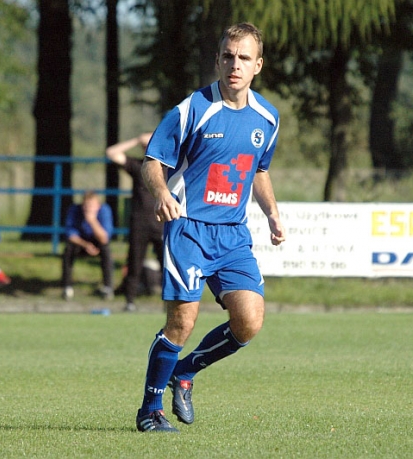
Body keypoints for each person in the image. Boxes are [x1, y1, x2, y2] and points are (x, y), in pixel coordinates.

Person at [134, 22, 286, 433]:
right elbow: (152, 161)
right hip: (188, 228)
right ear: (219, 60)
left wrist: (271, 212)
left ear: (258, 65)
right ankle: (150, 409)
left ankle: (184, 372)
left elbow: (260, 170)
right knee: (182, 321)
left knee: (249, 321)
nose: (234, 65)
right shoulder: (192, 110)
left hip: (233, 233)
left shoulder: (267, 118)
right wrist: (162, 193)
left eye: (243, 58)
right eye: (227, 56)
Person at [106, 133, 164, 312]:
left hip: (162, 222)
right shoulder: (138, 165)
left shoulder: (168, 165)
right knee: (134, 262)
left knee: (168, 264)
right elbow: (111, 152)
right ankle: (130, 301)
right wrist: (137, 139)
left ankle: (170, 302)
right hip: (139, 223)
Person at [61, 190, 114, 301]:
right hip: (81, 243)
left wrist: (92, 220)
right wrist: (86, 245)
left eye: (91, 206)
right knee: (68, 249)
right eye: (86, 206)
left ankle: (108, 287)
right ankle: (67, 287)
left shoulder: (104, 211)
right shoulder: (75, 210)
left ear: (98, 206)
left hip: (98, 241)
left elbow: (104, 238)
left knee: (106, 250)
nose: (88, 208)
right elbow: (70, 235)